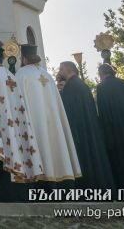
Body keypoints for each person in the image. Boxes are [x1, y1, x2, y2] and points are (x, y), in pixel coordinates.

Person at [0, 45, 44, 202]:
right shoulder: (10, 75)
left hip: (0, 126)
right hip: (15, 126)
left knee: (1, 158)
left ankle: (4, 195)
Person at [16, 44, 81, 185]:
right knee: (54, 145)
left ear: (24, 58)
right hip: (53, 123)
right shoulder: (47, 75)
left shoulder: (21, 74)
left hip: (34, 123)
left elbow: (17, 103)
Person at [57, 61, 115, 191]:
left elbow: (67, 110)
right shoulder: (80, 85)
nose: (60, 71)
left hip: (79, 131)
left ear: (69, 69)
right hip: (88, 129)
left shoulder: (71, 87)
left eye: (61, 69)